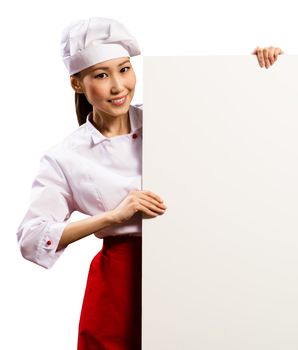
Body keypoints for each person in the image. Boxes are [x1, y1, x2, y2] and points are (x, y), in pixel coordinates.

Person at [15, 16, 283, 350]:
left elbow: (239, 124)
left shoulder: (172, 115)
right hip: (118, 284)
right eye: (102, 75)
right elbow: (31, 238)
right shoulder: (65, 157)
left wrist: (262, 70)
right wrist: (113, 217)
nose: (118, 86)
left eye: (124, 69)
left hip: (192, 267)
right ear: (77, 84)